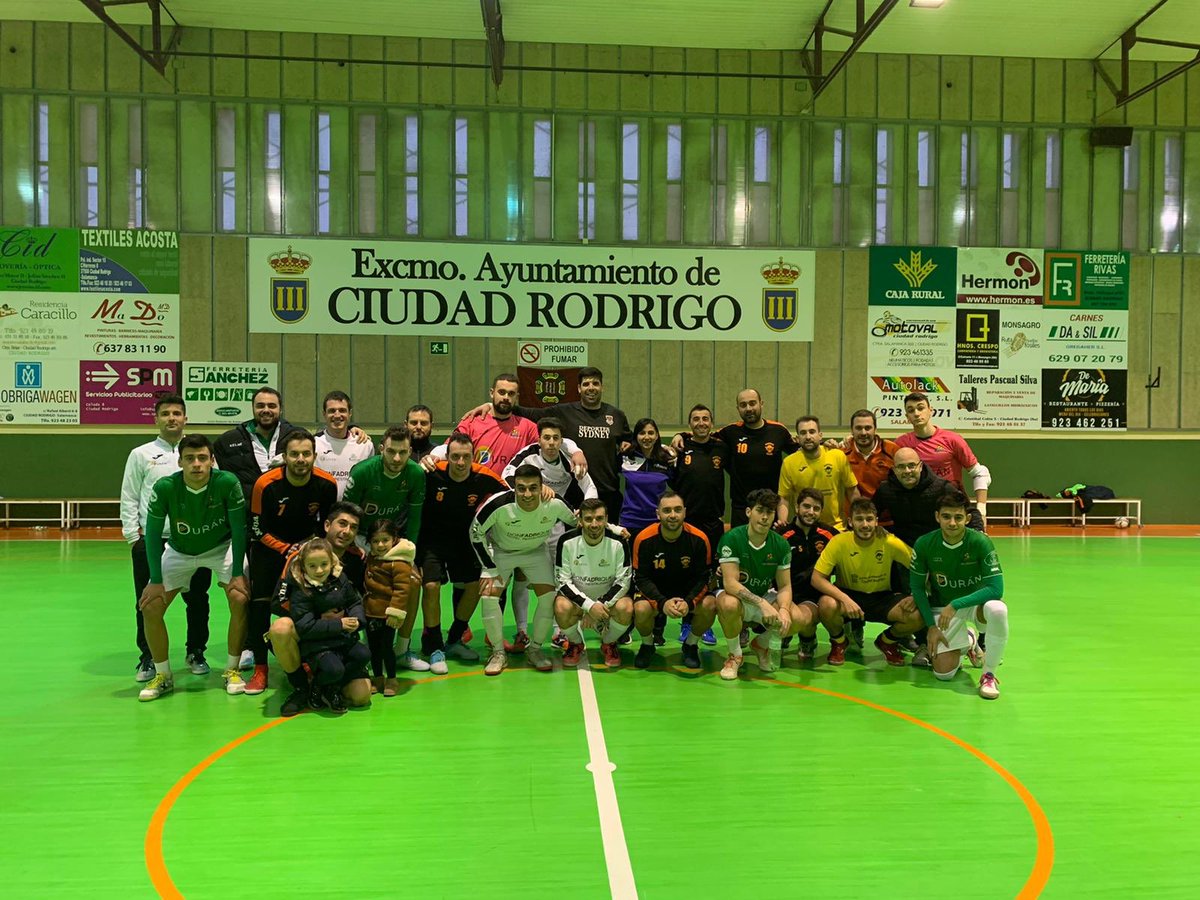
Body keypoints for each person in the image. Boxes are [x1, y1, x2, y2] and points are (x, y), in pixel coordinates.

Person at [136, 435, 250, 702]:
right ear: (180, 462)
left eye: (202, 458)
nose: (196, 464)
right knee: (150, 606)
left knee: (240, 597)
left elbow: (238, 529)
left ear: (212, 461)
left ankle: (232, 670)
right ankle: (163, 675)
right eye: (190, 459)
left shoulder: (227, 483)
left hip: (221, 548)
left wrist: (236, 574)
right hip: (180, 551)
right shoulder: (165, 487)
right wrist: (154, 580)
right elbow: (152, 535)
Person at [121, 393, 212, 682]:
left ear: (186, 418)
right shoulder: (141, 454)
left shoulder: (202, 454)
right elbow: (129, 495)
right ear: (156, 418)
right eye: (166, 414)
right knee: (147, 601)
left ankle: (196, 651)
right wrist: (132, 537)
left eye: (177, 413)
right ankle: (148, 657)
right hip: (153, 540)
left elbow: (214, 493)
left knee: (197, 599)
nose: (172, 418)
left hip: (194, 541)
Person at [245, 429, 338, 696]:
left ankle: (310, 661)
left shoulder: (326, 484)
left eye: (306, 454)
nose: (300, 459)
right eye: (294, 454)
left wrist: (309, 548)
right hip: (270, 549)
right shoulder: (265, 484)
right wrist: (287, 549)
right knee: (261, 605)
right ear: (284, 456)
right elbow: (256, 529)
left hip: (308, 550)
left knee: (312, 603)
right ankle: (261, 668)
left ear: (314, 456)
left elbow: (326, 525)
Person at [469, 465, 578, 676]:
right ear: (514, 488)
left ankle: (535, 650)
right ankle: (498, 653)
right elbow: (475, 533)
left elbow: (578, 522)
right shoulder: (499, 504)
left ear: (541, 487)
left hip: (536, 552)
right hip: (501, 552)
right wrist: (489, 567)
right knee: (489, 597)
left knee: (548, 599)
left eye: (533, 488)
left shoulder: (553, 503)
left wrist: (613, 530)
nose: (527, 494)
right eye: (521, 488)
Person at [417, 433, 509, 671]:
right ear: (447, 457)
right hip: (432, 541)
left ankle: (454, 639)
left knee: (473, 587)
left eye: (465, 457)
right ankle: (435, 645)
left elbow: (511, 497)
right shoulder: (432, 473)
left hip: (466, 541)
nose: (460, 462)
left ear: (473, 457)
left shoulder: (485, 477)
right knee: (431, 587)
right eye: (455, 457)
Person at [268, 501, 367, 717]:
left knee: (361, 696)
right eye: (342, 524)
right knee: (280, 628)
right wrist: (317, 617)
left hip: (339, 633)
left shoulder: (356, 558)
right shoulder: (301, 556)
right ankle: (301, 688)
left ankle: (323, 685)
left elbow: (357, 600)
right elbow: (278, 601)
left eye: (353, 527)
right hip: (307, 630)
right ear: (327, 525)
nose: (346, 531)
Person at [910, 489, 1009, 700]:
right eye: (946, 517)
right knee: (944, 674)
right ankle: (970, 641)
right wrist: (930, 627)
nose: (952, 523)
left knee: (998, 609)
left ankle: (988, 674)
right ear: (937, 517)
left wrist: (956, 603)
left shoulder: (980, 542)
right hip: (942, 609)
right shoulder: (925, 544)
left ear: (968, 518)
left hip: (974, 606)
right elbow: (917, 588)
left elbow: (996, 588)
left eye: (958, 517)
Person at [810, 497, 923, 667]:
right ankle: (839, 642)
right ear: (850, 522)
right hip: (849, 595)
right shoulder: (839, 542)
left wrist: (916, 594)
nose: (865, 525)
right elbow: (816, 579)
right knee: (826, 604)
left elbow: (920, 566)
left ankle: (887, 642)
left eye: (869, 519)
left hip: (882, 597)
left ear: (877, 521)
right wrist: (845, 599)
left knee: (919, 615)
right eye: (859, 519)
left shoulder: (889, 541)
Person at [675, 389, 795, 527]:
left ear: (761, 404)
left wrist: (823, 445)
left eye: (752, 403)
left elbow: (800, 449)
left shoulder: (778, 431)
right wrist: (680, 435)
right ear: (738, 408)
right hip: (741, 507)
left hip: (770, 504)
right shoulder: (731, 431)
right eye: (743, 405)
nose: (748, 408)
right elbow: (702, 433)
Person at [630, 490, 716, 670]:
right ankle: (647, 645)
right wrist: (662, 603)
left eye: (677, 510)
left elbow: (704, 578)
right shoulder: (644, 539)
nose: (673, 515)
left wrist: (690, 603)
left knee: (710, 605)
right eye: (667, 510)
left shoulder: (699, 539)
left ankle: (691, 645)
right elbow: (641, 578)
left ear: (685, 512)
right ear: (658, 514)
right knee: (640, 608)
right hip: (657, 593)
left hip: (687, 593)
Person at [714, 488, 794, 680]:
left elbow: (784, 586)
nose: (765, 517)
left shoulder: (781, 544)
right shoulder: (732, 538)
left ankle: (761, 644)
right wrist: (762, 604)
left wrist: (783, 609)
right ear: (749, 512)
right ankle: (735, 655)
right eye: (760, 510)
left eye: (770, 512)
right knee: (728, 604)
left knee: (795, 616)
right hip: (737, 596)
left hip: (763, 594)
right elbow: (731, 584)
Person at [287, 538, 371, 714]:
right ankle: (316, 687)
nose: (319, 570)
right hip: (317, 644)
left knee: (363, 654)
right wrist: (339, 624)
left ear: (332, 562)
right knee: (334, 669)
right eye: (312, 566)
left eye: (324, 564)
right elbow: (305, 627)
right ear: (304, 566)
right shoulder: (301, 589)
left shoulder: (340, 578)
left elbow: (354, 601)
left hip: (342, 639)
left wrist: (357, 620)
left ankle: (330, 688)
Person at [553, 498, 633, 669]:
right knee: (560, 606)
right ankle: (575, 643)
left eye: (599, 518)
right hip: (578, 602)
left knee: (626, 607)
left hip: (607, 603)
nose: (594, 524)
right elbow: (562, 581)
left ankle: (608, 643)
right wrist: (588, 606)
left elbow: (623, 582)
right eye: (588, 519)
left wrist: (599, 605)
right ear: (580, 520)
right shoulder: (566, 541)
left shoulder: (619, 542)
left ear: (606, 520)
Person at [896, 392, 992, 526]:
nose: (917, 413)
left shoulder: (952, 439)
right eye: (911, 410)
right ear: (907, 417)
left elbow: (980, 473)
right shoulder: (901, 444)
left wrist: (981, 510)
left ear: (931, 411)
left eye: (921, 408)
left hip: (953, 508)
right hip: (920, 510)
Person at [775, 487, 836, 660]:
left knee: (806, 618)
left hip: (813, 597)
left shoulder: (829, 535)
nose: (811, 512)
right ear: (797, 506)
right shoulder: (782, 535)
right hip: (784, 595)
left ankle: (808, 638)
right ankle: (784, 633)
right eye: (806, 507)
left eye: (816, 509)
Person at [362, 521, 419, 696]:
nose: (380, 545)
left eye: (385, 540)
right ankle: (377, 677)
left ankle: (392, 678)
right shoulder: (372, 557)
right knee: (373, 647)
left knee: (387, 647)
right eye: (375, 541)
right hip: (370, 611)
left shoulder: (399, 562)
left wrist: (395, 613)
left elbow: (402, 590)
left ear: (394, 539)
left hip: (388, 614)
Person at [777, 415, 859, 531]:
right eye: (803, 433)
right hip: (804, 528)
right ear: (797, 438)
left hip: (836, 527)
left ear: (820, 436)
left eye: (812, 432)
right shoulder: (789, 462)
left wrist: (859, 517)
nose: (808, 437)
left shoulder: (837, 456)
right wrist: (782, 524)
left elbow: (852, 491)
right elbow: (783, 498)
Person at [314, 390, 375, 499]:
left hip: (354, 512)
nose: (337, 415)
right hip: (323, 512)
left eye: (342, 410)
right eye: (332, 411)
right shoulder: (313, 444)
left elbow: (370, 483)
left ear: (350, 413)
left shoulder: (365, 445)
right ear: (324, 414)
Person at [618, 417, 674, 535]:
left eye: (651, 433)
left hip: (657, 522)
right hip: (630, 522)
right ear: (636, 436)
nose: (647, 437)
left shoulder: (667, 459)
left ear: (657, 436)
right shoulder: (626, 456)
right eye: (642, 433)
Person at [839, 409, 899, 500]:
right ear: (852, 430)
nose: (863, 433)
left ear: (875, 429)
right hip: (852, 512)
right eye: (858, 428)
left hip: (885, 512)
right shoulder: (841, 453)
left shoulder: (892, 450)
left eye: (868, 428)